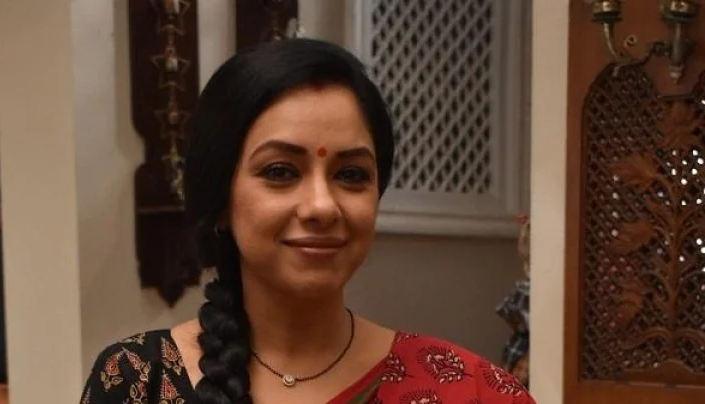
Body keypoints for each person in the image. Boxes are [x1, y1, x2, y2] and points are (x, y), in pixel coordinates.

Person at [80, 38, 536, 404]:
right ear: (221, 199)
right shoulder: (138, 382)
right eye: (280, 172)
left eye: (351, 175)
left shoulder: (471, 391)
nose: (322, 206)